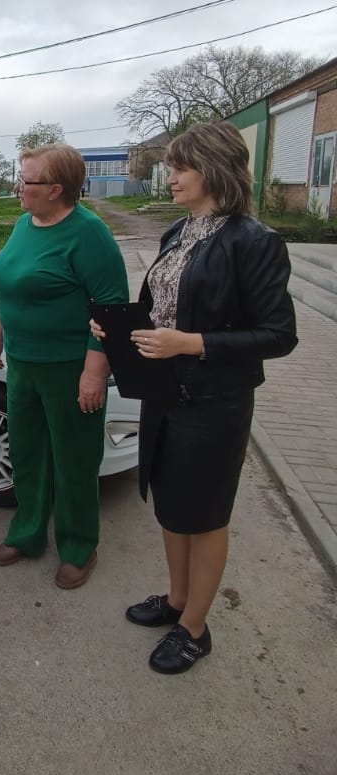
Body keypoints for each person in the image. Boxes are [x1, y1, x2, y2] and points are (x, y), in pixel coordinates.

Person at [92, 121, 297, 674]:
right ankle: (178, 598)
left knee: (204, 515)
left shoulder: (254, 241)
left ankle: (195, 628)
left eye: (181, 167)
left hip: (215, 402)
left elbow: (279, 335)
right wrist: (118, 330)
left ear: (214, 169)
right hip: (165, 390)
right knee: (170, 502)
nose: (171, 177)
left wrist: (190, 343)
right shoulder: (179, 232)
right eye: (172, 167)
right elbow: (162, 308)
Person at [0, 144, 128, 589]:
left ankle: (79, 546)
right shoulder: (25, 224)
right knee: (26, 453)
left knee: (74, 460)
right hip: (23, 365)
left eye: (25, 181)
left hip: (69, 367)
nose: (17, 187)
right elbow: (10, 285)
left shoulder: (89, 234)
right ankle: (27, 532)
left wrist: (94, 373)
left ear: (56, 189)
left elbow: (111, 308)